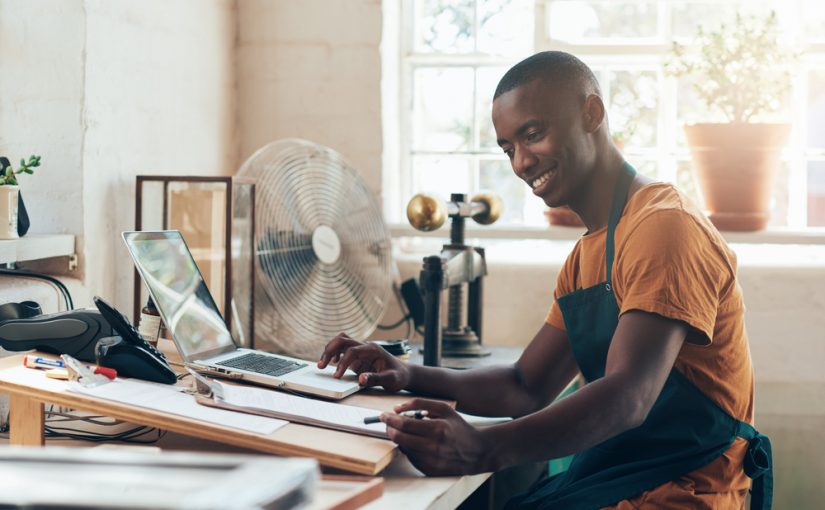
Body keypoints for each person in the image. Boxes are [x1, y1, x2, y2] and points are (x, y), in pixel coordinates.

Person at [318, 51, 771, 509]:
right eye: (508, 148)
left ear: (592, 113)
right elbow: (526, 385)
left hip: (683, 490)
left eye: (533, 134)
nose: (521, 163)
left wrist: (482, 447)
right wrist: (407, 373)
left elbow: (629, 396)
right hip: (620, 479)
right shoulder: (587, 254)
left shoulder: (664, 225)